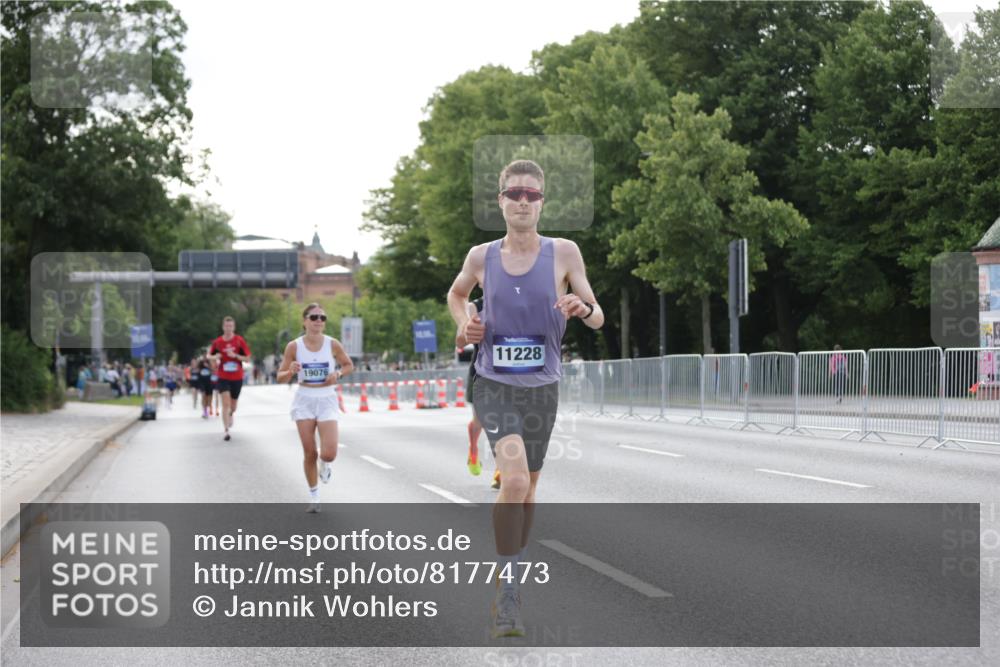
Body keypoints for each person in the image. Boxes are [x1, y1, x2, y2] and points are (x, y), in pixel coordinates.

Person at [447, 159, 603, 638]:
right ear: (500, 201)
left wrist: (582, 307)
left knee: (529, 488)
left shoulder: (564, 253)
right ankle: (509, 590)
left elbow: (597, 317)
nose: (522, 201)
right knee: (513, 482)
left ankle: (510, 572)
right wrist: (464, 325)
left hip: (543, 388)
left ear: (542, 203)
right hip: (493, 383)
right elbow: (457, 295)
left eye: (531, 195)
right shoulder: (481, 257)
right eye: (514, 193)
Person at [276, 303, 354, 513]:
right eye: (314, 317)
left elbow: (348, 365)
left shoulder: (332, 344)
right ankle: (314, 496)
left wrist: (337, 374)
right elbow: (280, 377)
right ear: (305, 321)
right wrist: (290, 371)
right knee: (309, 452)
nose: (319, 321)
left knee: (328, 453)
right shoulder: (294, 346)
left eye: (322, 317)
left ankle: (325, 464)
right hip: (304, 399)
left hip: (327, 398)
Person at [455, 297, 502, 489]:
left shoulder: (518, 299)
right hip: (482, 370)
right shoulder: (475, 306)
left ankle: (501, 469)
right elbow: (460, 340)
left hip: (511, 372)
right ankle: (473, 449)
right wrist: (470, 329)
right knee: (481, 421)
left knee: (505, 421)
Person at [208, 316, 252, 442]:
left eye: (231, 326)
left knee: (233, 406)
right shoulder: (217, 342)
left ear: (234, 327)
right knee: (225, 403)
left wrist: (236, 356)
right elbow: (209, 355)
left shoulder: (239, 341)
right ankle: (226, 430)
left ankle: (231, 414)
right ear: (223, 327)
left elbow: (248, 358)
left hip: (237, 377)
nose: (228, 328)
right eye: (226, 326)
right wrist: (215, 356)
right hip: (223, 377)